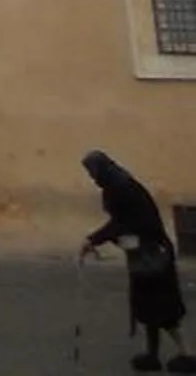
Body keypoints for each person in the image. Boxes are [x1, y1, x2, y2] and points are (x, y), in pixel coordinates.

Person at [83, 151, 194, 372]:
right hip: (143, 255)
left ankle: (187, 354)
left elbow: (124, 223)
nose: (92, 177)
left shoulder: (124, 190)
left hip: (154, 255)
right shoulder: (119, 187)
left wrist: (93, 240)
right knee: (147, 307)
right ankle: (152, 355)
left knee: (164, 309)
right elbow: (122, 223)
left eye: (92, 171)